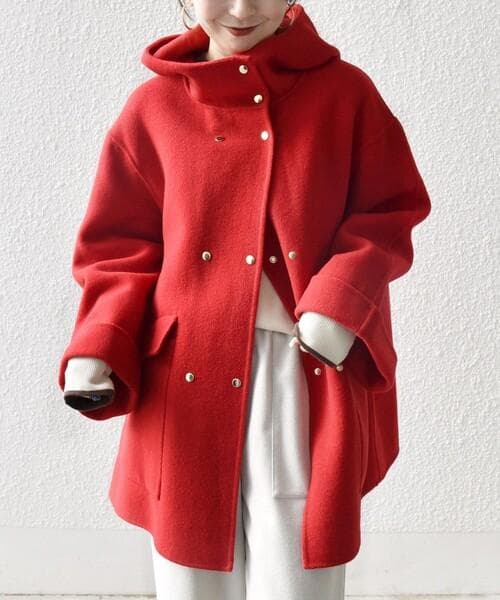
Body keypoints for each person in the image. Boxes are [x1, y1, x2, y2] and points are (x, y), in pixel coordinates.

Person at [58, 1, 432, 598]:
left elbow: (389, 211)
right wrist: (100, 341)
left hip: (302, 368)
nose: (240, 8)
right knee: (191, 572)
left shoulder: (346, 94)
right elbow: (118, 248)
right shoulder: (152, 109)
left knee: (297, 568)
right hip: (184, 376)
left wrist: (339, 301)